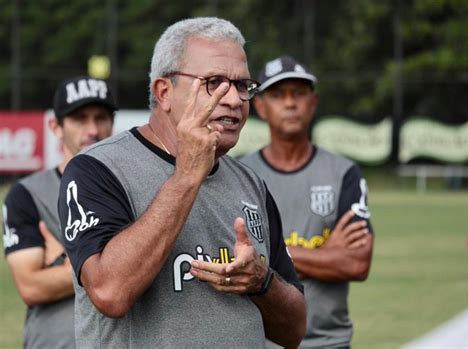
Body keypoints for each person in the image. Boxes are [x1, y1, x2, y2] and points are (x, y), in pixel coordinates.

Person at [57, 17, 306, 348]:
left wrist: (260, 281)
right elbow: (110, 292)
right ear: (164, 92)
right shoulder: (98, 170)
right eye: (214, 83)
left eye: (242, 86)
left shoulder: (251, 185)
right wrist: (187, 175)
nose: (232, 99)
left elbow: (293, 332)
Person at [241, 55, 374, 349]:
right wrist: (326, 253)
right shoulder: (241, 176)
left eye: (298, 93)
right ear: (260, 106)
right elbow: (235, 262)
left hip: (329, 343)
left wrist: (270, 260)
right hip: (260, 342)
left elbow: (356, 262)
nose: (290, 103)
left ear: (313, 102)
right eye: (277, 94)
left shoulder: (343, 173)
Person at [2, 76, 117, 348]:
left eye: (101, 117)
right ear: (56, 126)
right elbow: (31, 287)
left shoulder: (130, 185)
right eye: (79, 118)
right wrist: (106, 264)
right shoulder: (27, 194)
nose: (92, 129)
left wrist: (66, 263)